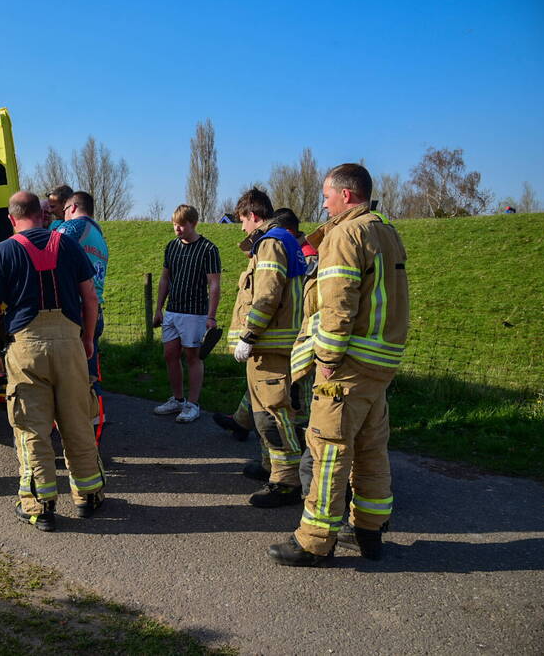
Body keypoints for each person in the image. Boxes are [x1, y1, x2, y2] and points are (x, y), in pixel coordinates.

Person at [269, 163, 409, 567]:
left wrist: (326, 358)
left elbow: (338, 304)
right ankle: (370, 529)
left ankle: (314, 542)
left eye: (327, 195)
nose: (323, 203)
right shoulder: (386, 230)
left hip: (346, 365)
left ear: (346, 195)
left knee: (329, 450)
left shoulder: (346, 233)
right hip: (378, 363)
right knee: (371, 450)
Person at [0, 191, 105, 532]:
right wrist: (88, 339)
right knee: (77, 420)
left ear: (12, 218)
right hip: (70, 345)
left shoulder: (3, 251)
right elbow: (89, 298)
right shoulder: (67, 244)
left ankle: (40, 504)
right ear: (43, 214)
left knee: (31, 427)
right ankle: (88, 495)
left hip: (27, 348)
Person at [227, 189, 307, 508]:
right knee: (264, 414)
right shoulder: (282, 240)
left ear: (254, 215)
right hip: (272, 347)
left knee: (274, 417)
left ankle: (286, 482)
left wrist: (249, 335)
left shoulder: (271, 243)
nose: (242, 228)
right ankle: (270, 468)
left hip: (271, 347)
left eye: (242, 221)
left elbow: (267, 295)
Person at [152, 204, 221, 423]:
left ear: (193, 223)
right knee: (170, 354)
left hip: (195, 312)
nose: (177, 229)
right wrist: (158, 308)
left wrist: (211, 316)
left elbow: (215, 285)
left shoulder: (209, 249)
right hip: (172, 310)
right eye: (175, 225)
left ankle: (193, 404)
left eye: (182, 225)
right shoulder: (171, 247)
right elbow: (165, 278)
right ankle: (178, 399)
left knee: (193, 356)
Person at [55, 191, 109, 446]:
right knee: (90, 376)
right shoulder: (99, 235)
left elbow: (49, 252)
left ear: (73, 207)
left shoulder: (73, 227)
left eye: (63, 210)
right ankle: (94, 433)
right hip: (95, 310)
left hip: (74, 310)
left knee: (67, 378)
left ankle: (74, 435)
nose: (61, 215)